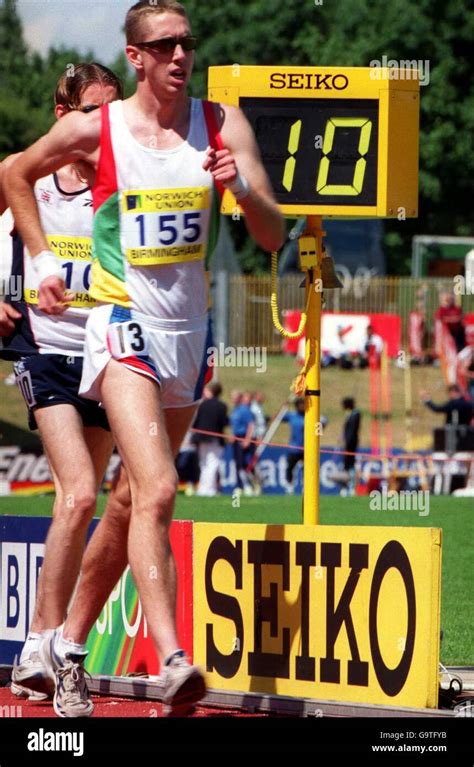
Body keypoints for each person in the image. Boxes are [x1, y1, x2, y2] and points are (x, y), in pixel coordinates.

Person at [6, 0, 285, 716]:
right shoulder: (96, 129)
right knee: (156, 487)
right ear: (135, 57)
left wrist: (240, 187)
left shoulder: (222, 124)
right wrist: (38, 260)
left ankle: (63, 642)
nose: (180, 56)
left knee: (130, 499)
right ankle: (172, 657)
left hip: (189, 333)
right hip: (116, 322)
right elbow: (13, 170)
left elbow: (274, 236)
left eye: (187, 43)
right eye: (164, 46)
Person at [0, 64, 132, 712]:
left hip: (105, 354)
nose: (99, 126)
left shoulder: (125, 181)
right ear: (61, 112)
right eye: (88, 112)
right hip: (44, 351)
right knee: (79, 493)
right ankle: (43, 643)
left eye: (111, 112)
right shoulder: (25, 173)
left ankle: (56, 653)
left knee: (85, 500)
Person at [192, 381, 228, 496]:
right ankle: (209, 489)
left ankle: (203, 488)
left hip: (201, 437)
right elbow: (223, 422)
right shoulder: (222, 406)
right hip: (214, 438)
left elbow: (196, 422)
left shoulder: (202, 404)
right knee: (213, 463)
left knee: (204, 463)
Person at [230, 390, 256, 495]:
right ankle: (240, 485)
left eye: (234, 397)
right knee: (238, 463)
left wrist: (247, 439)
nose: (232, 399)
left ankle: (248, 485)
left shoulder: (244, 410)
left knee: (244, 463)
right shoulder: (235, 410)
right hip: (237, 438)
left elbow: (251, 425)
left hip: (243, 438)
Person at [282, 397, 305, 493]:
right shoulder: (292, 416)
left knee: (307, 469)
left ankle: (306, 487)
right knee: (290, 468)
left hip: (306, 448)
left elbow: (323, 420)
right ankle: (290, 486)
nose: (303, 407)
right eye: (301, 405)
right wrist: (285, 406)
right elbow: (279, 417)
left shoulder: (309, 416)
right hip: (294, 448)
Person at [341, 397, 361, 495]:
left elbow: (352, 429)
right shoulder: (349, 415)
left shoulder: (355, 414)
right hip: (347, 443)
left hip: (351, 443)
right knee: (346, 466)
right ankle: (345, 487)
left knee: (351, 465)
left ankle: (352, 487)